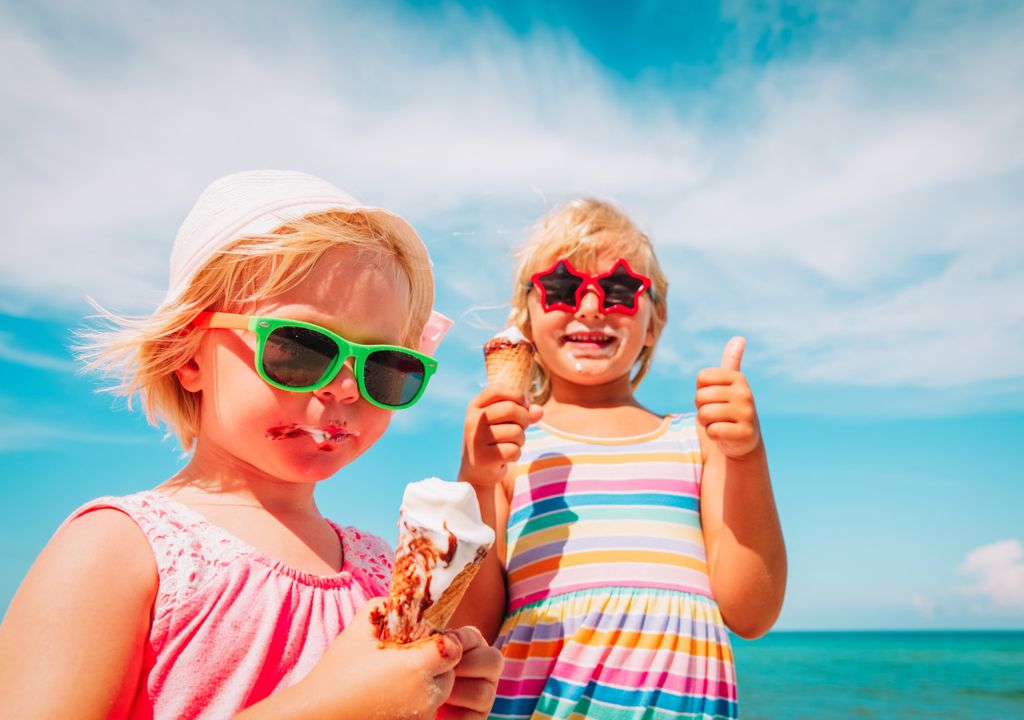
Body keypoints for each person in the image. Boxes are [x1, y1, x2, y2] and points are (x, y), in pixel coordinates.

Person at [0, 170, 501, 719]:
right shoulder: (117, 549)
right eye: (299, 348)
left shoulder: (380, 568)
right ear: (190, 356)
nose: (344, 386)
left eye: (384, 366)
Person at [453, 198, 786, 719]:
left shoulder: (698, 442)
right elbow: (474, 626)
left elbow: (751, 612)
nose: (590, 306)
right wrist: (475, 481)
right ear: (527, 316)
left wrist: (747, 453)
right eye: (562, 288)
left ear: (653, 323)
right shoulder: (513, 452)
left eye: (620, 290)